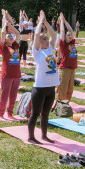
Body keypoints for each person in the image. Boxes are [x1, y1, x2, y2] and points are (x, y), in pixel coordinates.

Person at [27, 11, 59, 143]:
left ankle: (44, 135)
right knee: (35, 113)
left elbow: (54, 35)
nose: (47, 40)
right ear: (39, 42)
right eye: (44, 39)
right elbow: (35, 35)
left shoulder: (51, 49)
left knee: (45, 114)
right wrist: (40, 22)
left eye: (46, 38)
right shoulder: (37, 52)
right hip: (39, 88)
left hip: (51, 87)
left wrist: (45, 22)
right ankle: (31, 137)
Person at [0, 10, 21, 120]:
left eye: (11, 36)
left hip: (17, 75)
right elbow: (3, 33)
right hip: (7, 75)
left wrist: (10, 25)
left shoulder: (15, 46)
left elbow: (17, 33)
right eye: (9, 36)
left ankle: (10, 114)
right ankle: (1, 114)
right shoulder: (4, 47)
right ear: (5, 40)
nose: (11, 37)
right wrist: (4, 24)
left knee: (13, 97)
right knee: (4, 96)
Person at [56, 12, 78, 102]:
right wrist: (61, 22)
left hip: (72, 69)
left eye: (70, 35)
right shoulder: (63, 44)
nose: (70, 36)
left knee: (70, 89)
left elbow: (71, 30)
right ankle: (59, 104)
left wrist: (65, 21)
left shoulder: (72, 43)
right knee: (62, 88)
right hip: (64, 69)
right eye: (68, 35)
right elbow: (62, 31)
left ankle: (66, 103)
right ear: (64, 37)